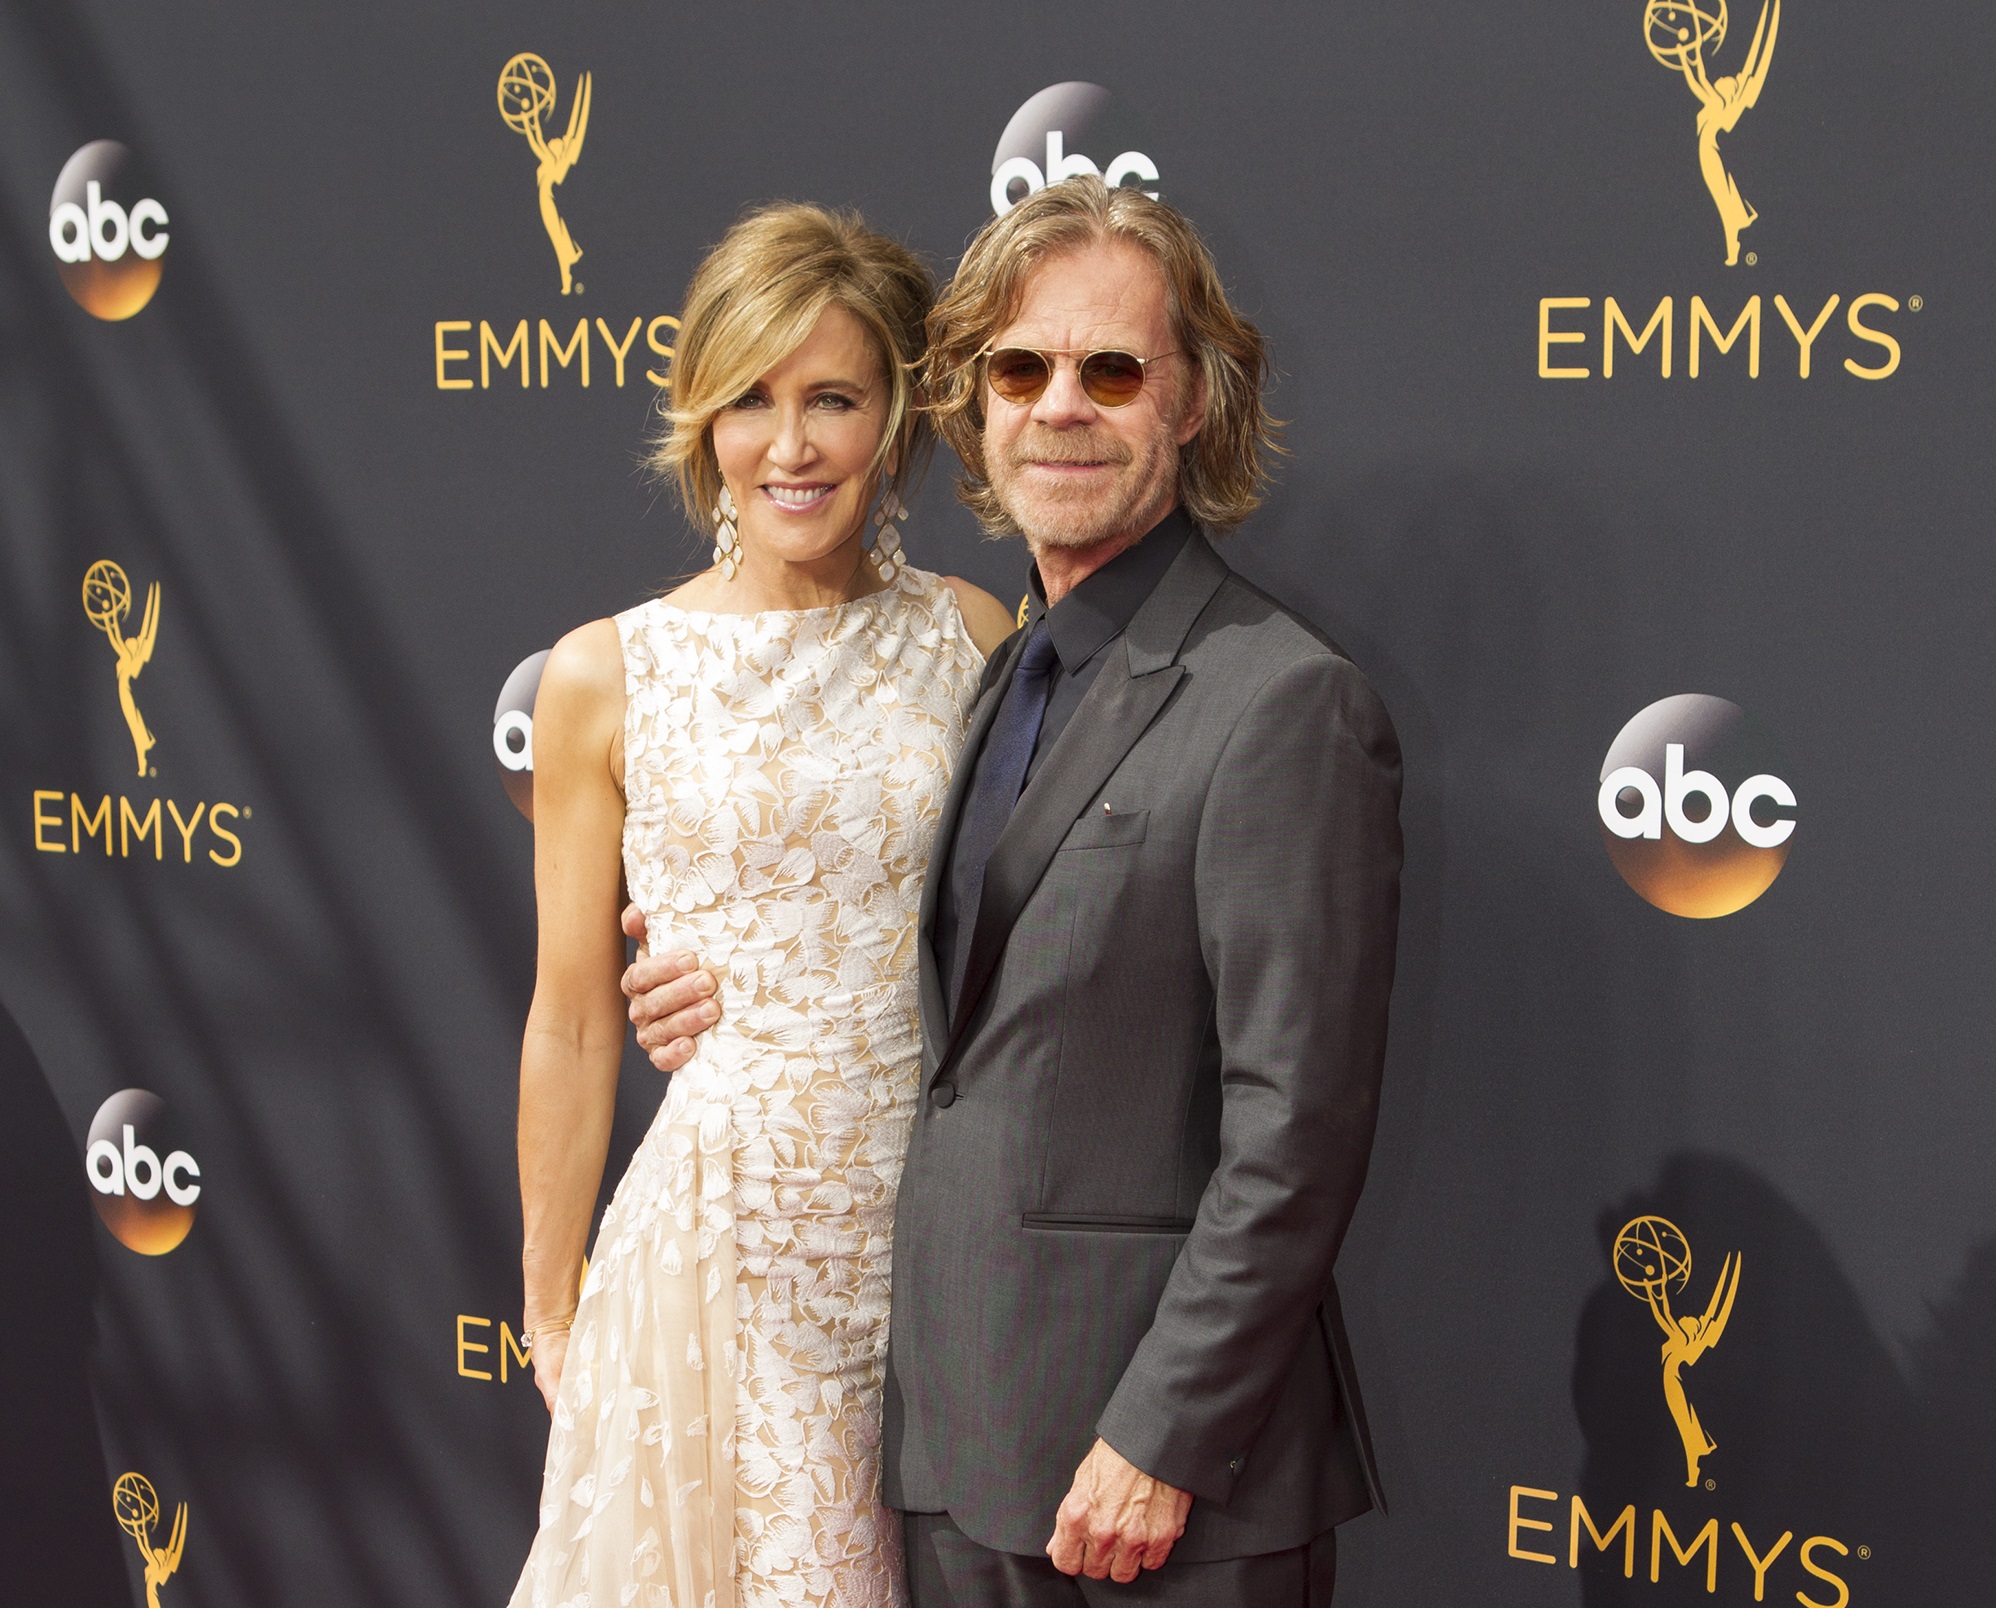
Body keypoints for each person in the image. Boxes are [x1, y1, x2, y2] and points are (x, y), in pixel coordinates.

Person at [628, 176, 1403, 1607]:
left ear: (1193, 404)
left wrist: (1161, 1436)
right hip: (953, 1453)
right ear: (972, 407)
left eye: (1112, 370)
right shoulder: (1003, 673)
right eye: (1020, 369)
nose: (1062, 405)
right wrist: (716, 988)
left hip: (1161, 1492)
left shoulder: (1283, 702)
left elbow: (1298, 1130)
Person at [509, 202, 1016, 1608]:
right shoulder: (606, 676)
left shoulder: (975, 638)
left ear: (898, 416)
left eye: (831, 399)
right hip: (730, 1248)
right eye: (749, 400)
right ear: (700, 422)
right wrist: (553, 1305)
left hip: (934, 1241)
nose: (788, 448)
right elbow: (567, 1018)